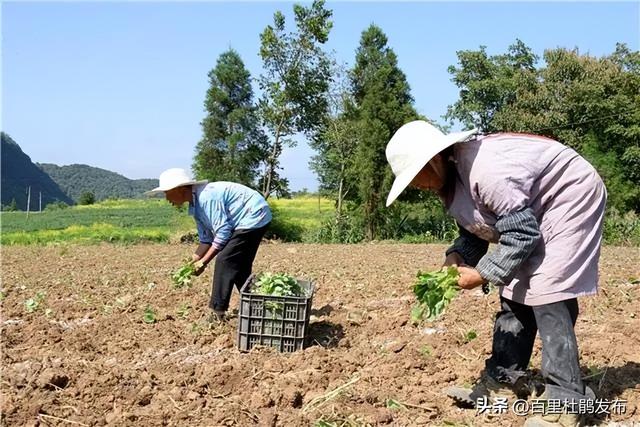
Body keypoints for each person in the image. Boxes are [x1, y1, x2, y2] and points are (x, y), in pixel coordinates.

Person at [385, 120, 606, 427]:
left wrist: (481, 274)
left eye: (414, 175)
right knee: (514, 291)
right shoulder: (451, 184)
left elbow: (522, 235)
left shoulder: (484, 171)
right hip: (530, 214)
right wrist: (456, 256)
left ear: (433, 160)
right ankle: (503, 379)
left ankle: (566, 399)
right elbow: (479, 230)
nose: (414, 185)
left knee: (548, 289)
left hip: (568, 195)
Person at [147, 168, 271, 321]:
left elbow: (223, 232)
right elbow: (206, 239)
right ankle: (258, 306)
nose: (166, 198)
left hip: (254, 215)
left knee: (225, 260)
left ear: (179, 189)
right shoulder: (195, 207)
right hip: (245, 220)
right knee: (238, 267)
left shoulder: (206, 197)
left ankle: (217, 310)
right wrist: (191, 263)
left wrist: (203, 262)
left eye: (167, 193)